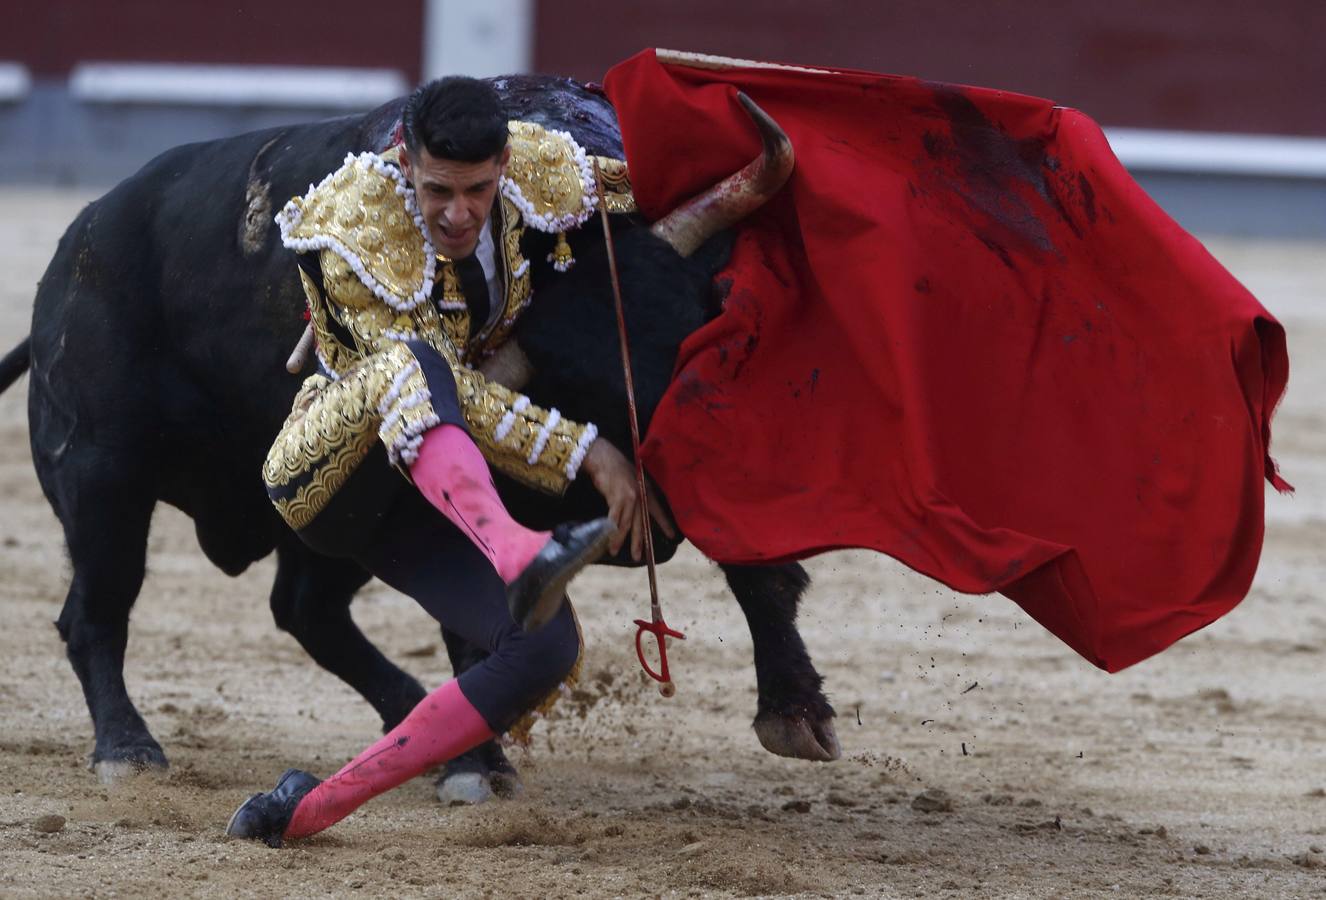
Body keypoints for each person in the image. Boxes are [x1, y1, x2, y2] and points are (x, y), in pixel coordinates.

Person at [227, 76, 672, 847]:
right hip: (335, 478)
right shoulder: (352, 223)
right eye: (437, 190)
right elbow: (449, 387)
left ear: (504, 161)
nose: (458, 213)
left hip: (433, 492)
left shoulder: (535, 167)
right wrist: (587, 452)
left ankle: (315, 807)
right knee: (411, 364)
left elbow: (647, 187)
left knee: (545, 648)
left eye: (476, 189)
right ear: (405, 160)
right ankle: (518, 553)